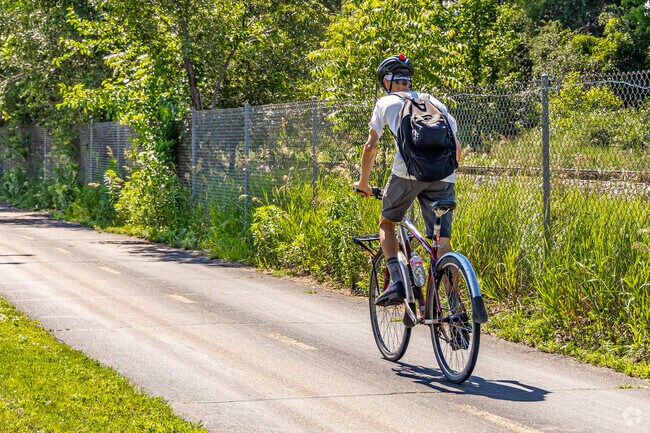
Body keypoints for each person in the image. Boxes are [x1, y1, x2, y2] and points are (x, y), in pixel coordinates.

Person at [354, 53, 462, 306]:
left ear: (386, 81)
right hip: (445, 176)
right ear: (409, 80)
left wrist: (363, 183)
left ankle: (397, 281)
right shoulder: (433, 100)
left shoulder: (386, 102)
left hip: (407, 175)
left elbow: (371, 147)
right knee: (442, 242)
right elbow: (456, 147)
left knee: (387, 223)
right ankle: (456, 308)